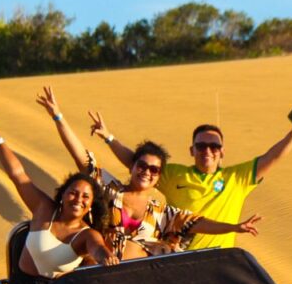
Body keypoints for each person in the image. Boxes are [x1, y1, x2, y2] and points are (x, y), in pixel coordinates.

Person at [35, 86, 263, 259]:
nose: (147, 172)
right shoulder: (111, 192)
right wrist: (58, 117)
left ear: (159, 176)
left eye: (154, 169)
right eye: (141, 166)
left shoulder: (162, 213)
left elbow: (197, 223)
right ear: (132, 167)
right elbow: (83, 158)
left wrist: (234, 228)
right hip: (102, 272)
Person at [90, 103, 292, 249]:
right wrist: (109, 138)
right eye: (201, 145)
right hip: (181, 257)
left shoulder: (237, 177)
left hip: (220, 260)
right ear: (191, 150)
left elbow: (272, 157)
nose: (208, 150)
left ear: (222, 151)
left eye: (214, 146)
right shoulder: (175, 173)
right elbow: (138, 164)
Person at [0, 113, 115, 284]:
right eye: (73, 192)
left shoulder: (87, 234)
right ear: (62, 194)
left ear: (90, 205)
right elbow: (18, 175)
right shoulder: (44, 210)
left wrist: (105, 257)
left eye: (85, 197)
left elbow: (97, 247)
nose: (78, 199)